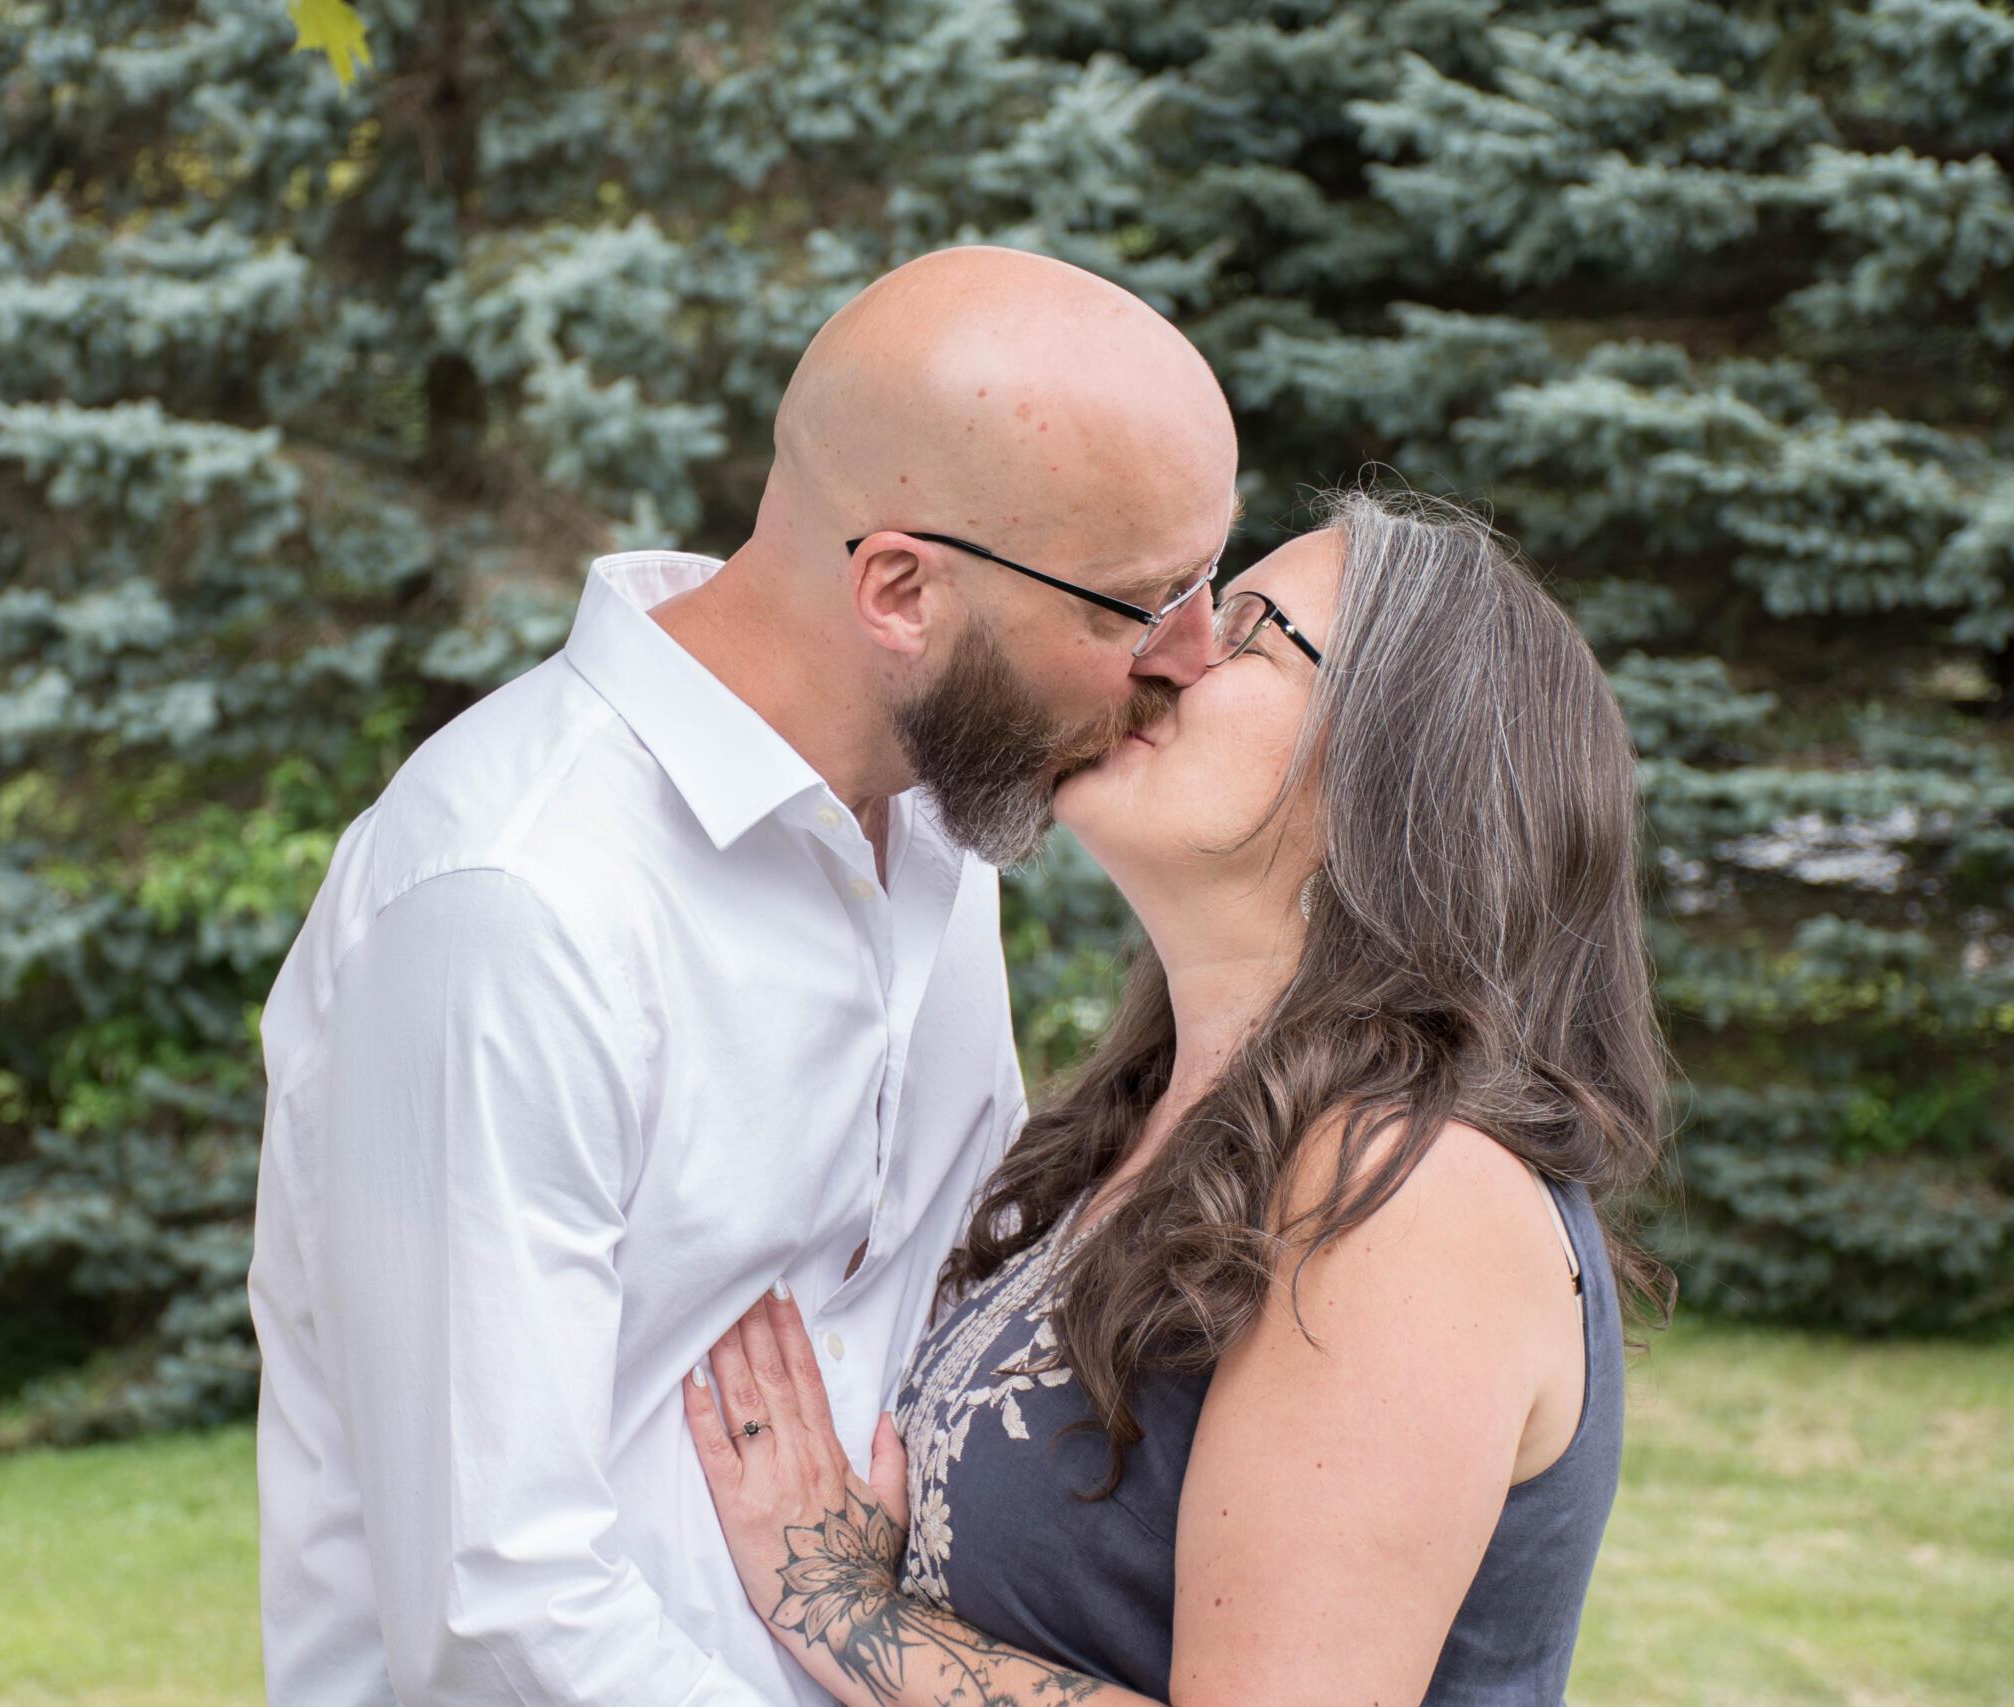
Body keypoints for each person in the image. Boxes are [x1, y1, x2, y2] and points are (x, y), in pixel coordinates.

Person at [246, 243, 1242, 1705]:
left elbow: (944, 1325)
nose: (1200, 658)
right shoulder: (516, 900)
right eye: (1141, 603)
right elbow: (498, 1616)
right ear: (900, 590)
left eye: (1208, 579)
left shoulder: (932, 835)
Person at [682, 489, 1674, 1707]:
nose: (1164, 649)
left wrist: (841, 1608)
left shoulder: (1408, 1193)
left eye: (1248, 627)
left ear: (1399, 765)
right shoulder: (1147, 1134)